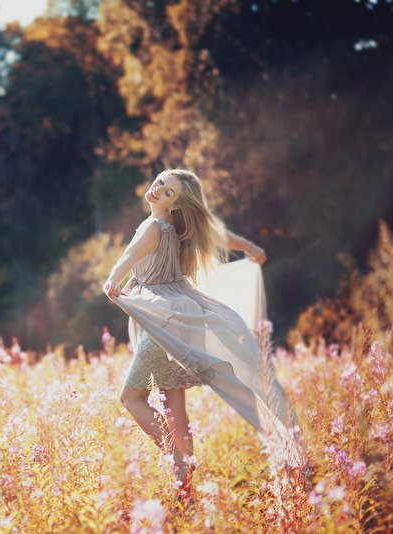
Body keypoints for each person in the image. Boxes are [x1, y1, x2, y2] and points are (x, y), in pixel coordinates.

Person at [102, 169, 303, 501]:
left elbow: (127, 258)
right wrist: (250, 246)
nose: (158, 189)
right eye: (161, 182)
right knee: (173, 402)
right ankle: (186, 487)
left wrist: (113, 279)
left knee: (131, 398)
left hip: (164, 318)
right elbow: (216, 235)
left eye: (168, 192)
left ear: (175, 204)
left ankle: (178, 462)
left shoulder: (155, 226)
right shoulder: (179, 227)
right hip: (180, 315)